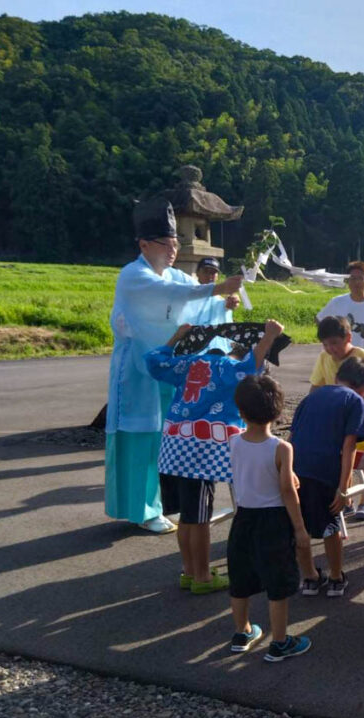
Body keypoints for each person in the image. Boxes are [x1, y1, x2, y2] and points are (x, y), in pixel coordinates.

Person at [105, 198, 242, 534]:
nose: (173, 249)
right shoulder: (134, 276)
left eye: (175, 243)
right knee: (142, 438)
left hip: (169, 370)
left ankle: (165, 505)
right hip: (137, 372)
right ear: (144, 245)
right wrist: (216, 288)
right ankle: (142, 510)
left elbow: (197, 298)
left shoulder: (177, 276)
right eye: (167, 243)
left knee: (167, 436)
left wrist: (222, 301)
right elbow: (168, 294)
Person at [144, 319, 285, 594]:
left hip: (173, 445)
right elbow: (252, 366)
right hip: (203, 450)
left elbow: (153, 361)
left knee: (187, 517)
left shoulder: (185, 365)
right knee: (200, 519)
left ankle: (188, 571)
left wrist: (176, 336)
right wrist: (269, 336)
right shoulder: (226, 367)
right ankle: (202, 578)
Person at [227, 374, 313, 661]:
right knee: (278, 583)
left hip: (243, 518)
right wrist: (300, 529)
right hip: (274, 521)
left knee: (240, 578)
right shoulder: (281, 447)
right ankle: (279, 642)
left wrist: (287, 474)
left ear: (241, 411)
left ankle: (242, 631)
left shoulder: (233, 441)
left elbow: (252, 470)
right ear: (278, 412)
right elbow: (288, 491)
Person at [291, 355, 364, 598]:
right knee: (331, 524)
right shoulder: (355, 401)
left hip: (296, 468)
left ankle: (309, 577)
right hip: (325, 470)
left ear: (338, 376)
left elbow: (294, 435)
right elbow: (349, 446)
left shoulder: (310, 397)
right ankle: (337, 578)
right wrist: (343, 488)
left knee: (301, 526)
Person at [310, 315, 364, 521]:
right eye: (325, 344)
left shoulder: (360, 354)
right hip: (336, 419)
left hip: (363, 416)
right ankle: (346, 498)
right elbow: (315, 386)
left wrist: (362, 416)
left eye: (335, 343)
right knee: (343, 459)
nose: (331, 349)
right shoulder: (324, 358)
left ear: (348, 337)